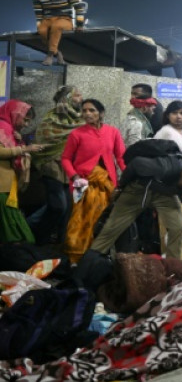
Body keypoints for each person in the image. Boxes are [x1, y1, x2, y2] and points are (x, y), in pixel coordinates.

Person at [89, 154, 182, 260]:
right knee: (110, 232)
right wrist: (120, 187)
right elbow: (135, 163)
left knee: (177, 227)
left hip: (164, 194)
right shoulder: (165, 167)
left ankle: (172, 270)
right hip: (137, 189)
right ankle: (82, 274)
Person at [61, 99, 126, 262]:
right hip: (83, 184)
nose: (87, 114)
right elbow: (66, 158)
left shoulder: (113, 132)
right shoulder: (77, 134)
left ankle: (99, 254)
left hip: (107, 184)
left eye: (92, 110)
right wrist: (74, 176)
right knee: (80, 220)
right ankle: (78, 255)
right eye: (84, 111)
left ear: (101, 113)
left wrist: (127, 175)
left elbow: (121, 157)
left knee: (103, 220)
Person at [29, 85, 83, 244]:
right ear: (67, 98)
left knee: (66, 209)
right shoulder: (51, 119)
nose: (80, 99)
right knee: (58, 206)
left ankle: (59, 244)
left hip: (69, 168)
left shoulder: (79, 120)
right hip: (51, 165)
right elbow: (42, 140)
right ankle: (37, 235)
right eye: (77, 95)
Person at [0, 101, 42, 243]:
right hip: (2, 185)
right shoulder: (1, 127)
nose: (25, 125)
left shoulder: (10, 130)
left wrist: (20, 143)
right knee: (12, 226)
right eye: (25, 120)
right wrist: (25, 149)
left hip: (7, 183)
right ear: (15, 114)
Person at [32, 0, 85, 66]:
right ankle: (58, 53)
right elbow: (38, 11)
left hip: (64, 19)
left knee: (57, 26)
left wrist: (80, 24)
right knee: (41, 30)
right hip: (47, 19)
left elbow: (78, 6)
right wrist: (39, 25)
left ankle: (50, 55)